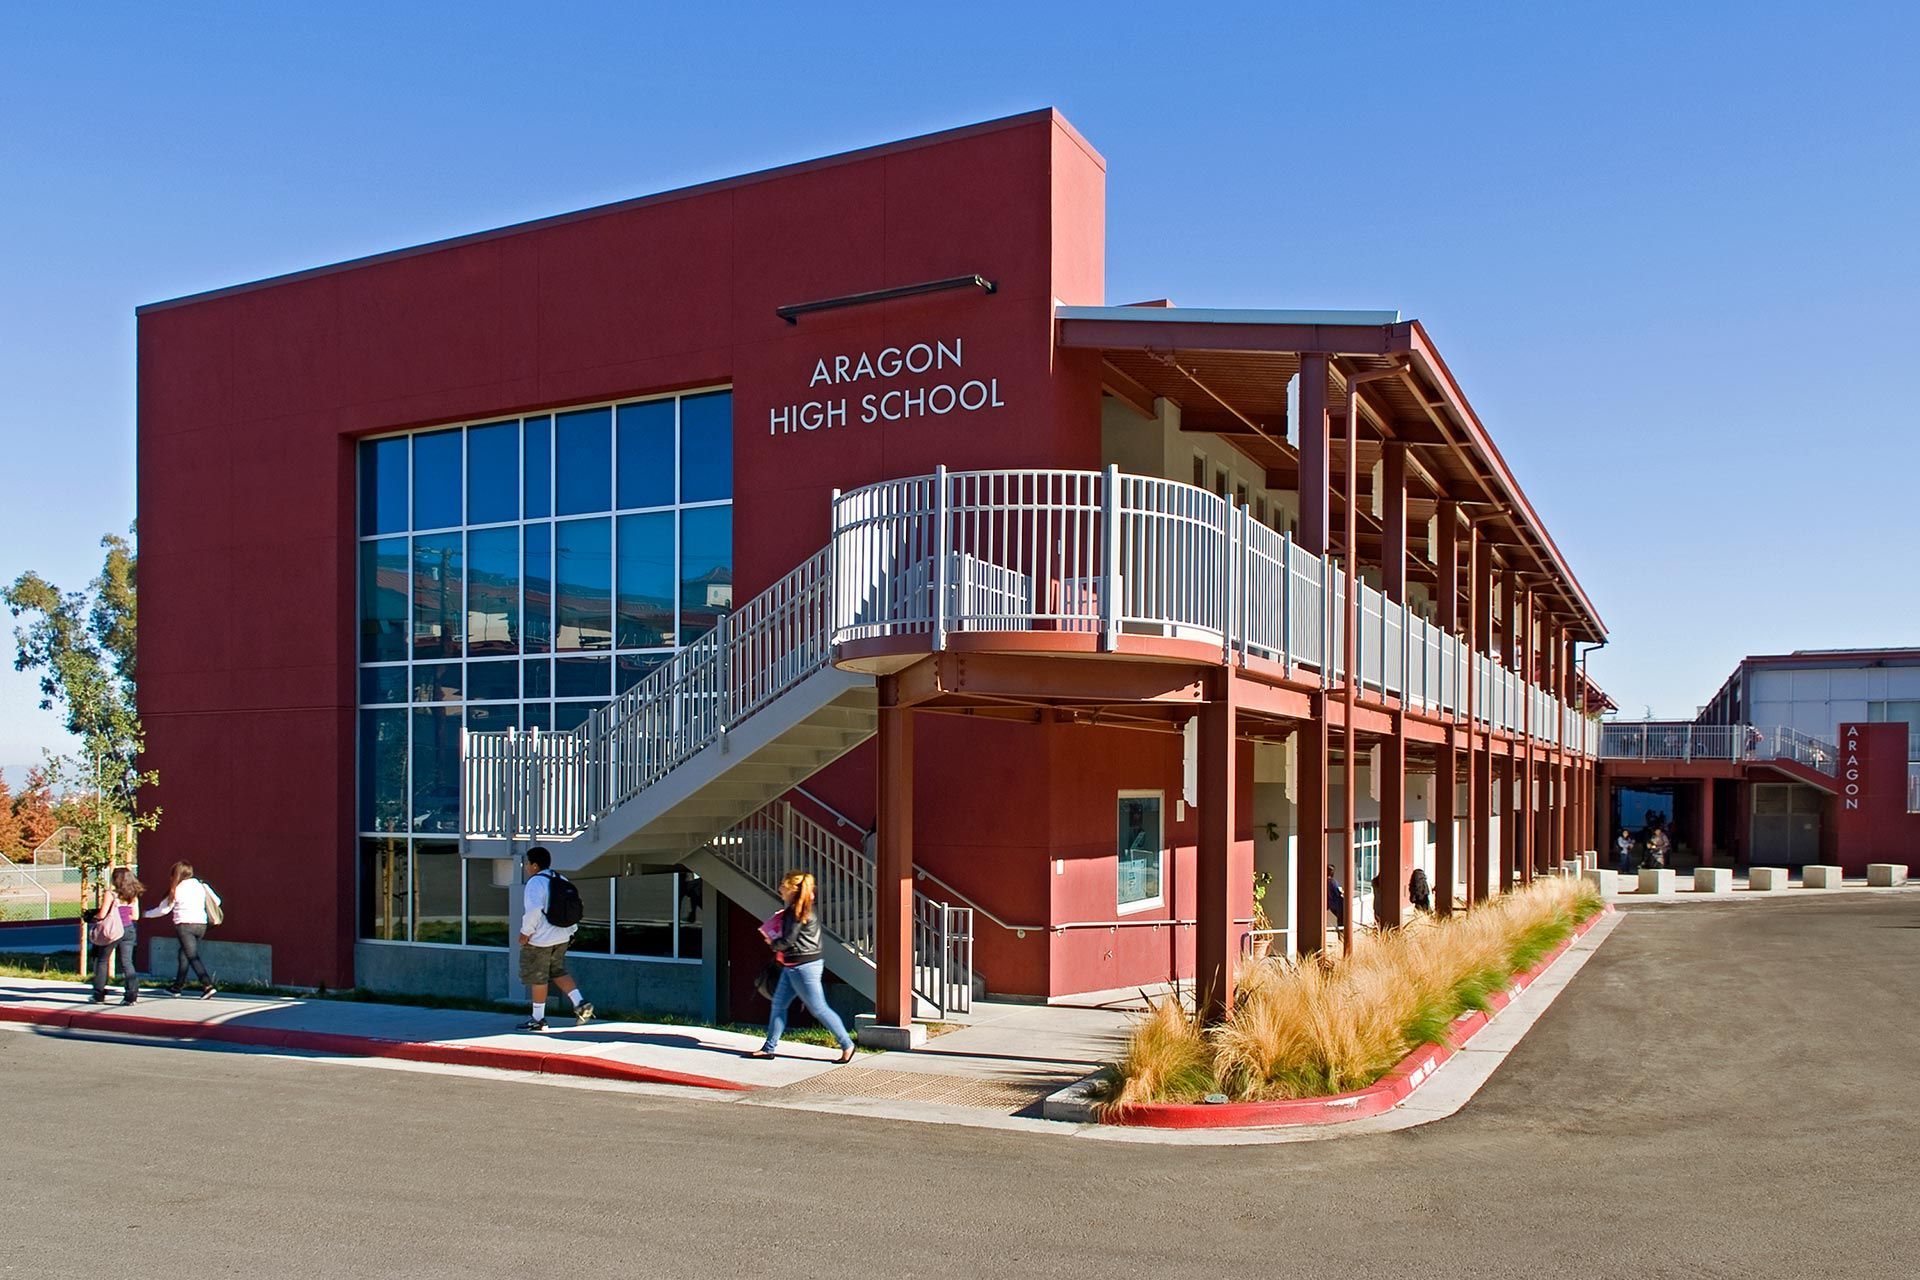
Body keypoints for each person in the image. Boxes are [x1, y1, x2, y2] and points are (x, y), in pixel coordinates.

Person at [747, 871, 856, 1064]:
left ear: (791, 889)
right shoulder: (801, 909)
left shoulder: (797, 912)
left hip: (803, 966)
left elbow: (788, 940)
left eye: (782, 885)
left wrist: (771, 942)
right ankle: (768, 1048)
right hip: (795, 966)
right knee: (779, 1005)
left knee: (819, 1008)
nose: (779, 888)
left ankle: (847, 1044)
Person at [517, 846, 594, 1032]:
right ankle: (581, 1004)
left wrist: (525, 933)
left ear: (535, 865)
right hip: (562, 936)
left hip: (540, 939)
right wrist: (571, 931)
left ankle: (538, 1019)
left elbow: (534, 911)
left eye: (527, 863)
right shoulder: (560, 879)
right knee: (558, 970)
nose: (526, 866)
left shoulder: (535, 883)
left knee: (539, 977)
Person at [143, 861, 221, 998]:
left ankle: (207, 985)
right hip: (202, 925)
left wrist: (145, 914)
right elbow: (217, 901)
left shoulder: (177, 889)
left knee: (192, 956)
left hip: (185, 926)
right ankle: (177, 987)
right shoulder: (201, 885)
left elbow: (164, 909)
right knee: (184, 953)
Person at [90, 867, 143, 1005]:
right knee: (127, 962)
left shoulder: (111, 894)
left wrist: (94, 917)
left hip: (113, 931)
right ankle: (131, 995)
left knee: (102, 960)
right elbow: (135, 916)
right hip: (129, 929)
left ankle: (99, 994)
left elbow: (102, 914)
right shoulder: (133, 895)